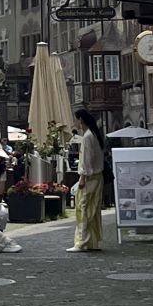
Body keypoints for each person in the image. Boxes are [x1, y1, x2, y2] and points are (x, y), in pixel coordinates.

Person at [68, 107, 106, 253]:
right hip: (97, 177)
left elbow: (86, 160)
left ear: (81, 120)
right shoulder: (94, 135)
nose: (74, 122)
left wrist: (82, 177)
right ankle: (93, 241)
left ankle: (82, 242)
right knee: (93, 210)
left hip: (90, 178)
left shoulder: (88, 137)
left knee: (83, 209)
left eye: (76, 119)